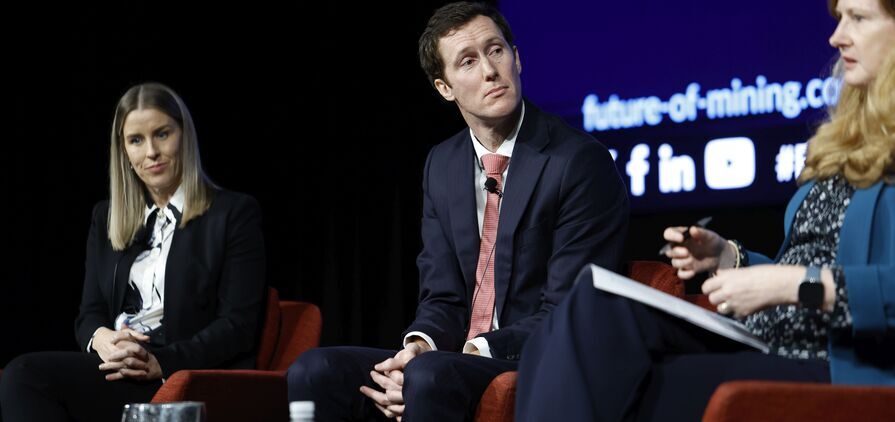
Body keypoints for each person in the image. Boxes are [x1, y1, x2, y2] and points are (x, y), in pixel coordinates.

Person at [515, 0, 895, 420]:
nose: (836, 35)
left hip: (838, 361)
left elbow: (816, 282)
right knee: (588, 310)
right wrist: (730, 259)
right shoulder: (853, 137)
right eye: (839, 18)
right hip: (771, 340)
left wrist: (792, 286)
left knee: (624, 384)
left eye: (858, 17)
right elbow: (806, 262)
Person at [286, 2, 629, 420]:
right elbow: (442, 295)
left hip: (531, 356)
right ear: (444, 88)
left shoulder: (577, 161)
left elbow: (567, 308)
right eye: (468, 61)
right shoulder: (442, 164)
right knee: (315, 369)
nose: (489, 70)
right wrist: (417, 348)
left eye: (496, 51)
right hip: (449, 361)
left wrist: (468, 351)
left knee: (429, 376)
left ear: (516, 58)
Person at [0, 83, 267, 421]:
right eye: (136, 140)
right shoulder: (107, 218)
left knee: (27, 375)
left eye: (162, 134)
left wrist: (162, 361)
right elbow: (90, 314)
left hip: (181, 373)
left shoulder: (233, 213)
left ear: (184, 136)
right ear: (123, 151)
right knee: (22, 374)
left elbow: (237, 326)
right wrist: (102, 340)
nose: (151, 152)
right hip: (118, 366)